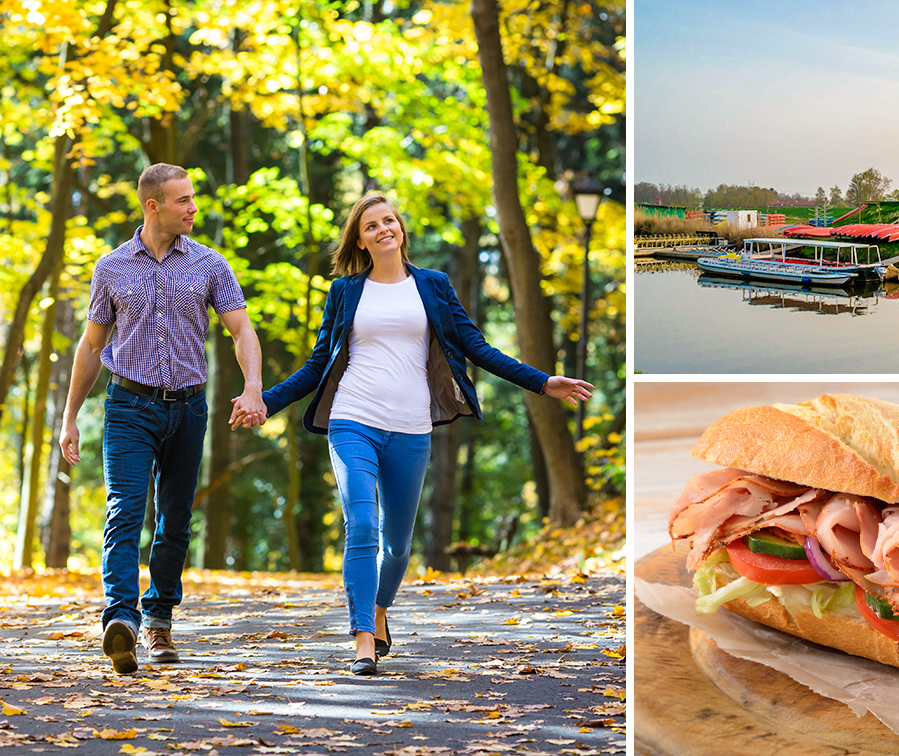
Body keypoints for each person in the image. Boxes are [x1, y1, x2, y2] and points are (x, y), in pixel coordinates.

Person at [249, 194, 592, 675]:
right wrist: (265, 400)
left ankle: (380, 609)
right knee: (363, 526)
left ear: (401, 229)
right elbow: (315, 366)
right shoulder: (346, 292)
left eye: (389, 220)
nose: (383, 229)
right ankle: (363, 639)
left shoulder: (433, 286)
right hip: (353, 418)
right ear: (361, 241)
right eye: (371, 226)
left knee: (398, 548)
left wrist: (541, 381)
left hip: (410, 427)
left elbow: (477, 347)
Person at [59, 163, 268, 674]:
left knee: (175, 521)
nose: (193, 207)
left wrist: (253, 387)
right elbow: (91, 346)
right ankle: (122, 621)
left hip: (189, 407)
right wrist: (70, 417)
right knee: (124, 513)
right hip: (128, 406)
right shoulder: (111, 268)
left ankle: (158, 620)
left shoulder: (209, 264)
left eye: (193, 198)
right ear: (153, 206)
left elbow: (241, 331)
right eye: (184, 201)